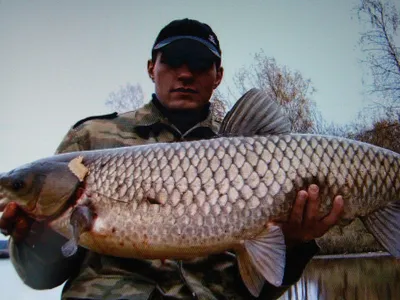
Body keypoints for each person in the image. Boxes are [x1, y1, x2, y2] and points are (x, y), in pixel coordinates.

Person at [0, 18, 344, 300]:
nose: (185, 73)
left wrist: (296, 244)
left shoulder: (250, 144)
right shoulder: (91, 139)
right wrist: (33, 236)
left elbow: (261, 289)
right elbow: (40, 277)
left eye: (198, 63)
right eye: (172, 60)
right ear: (152, 68)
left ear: (218, 75)